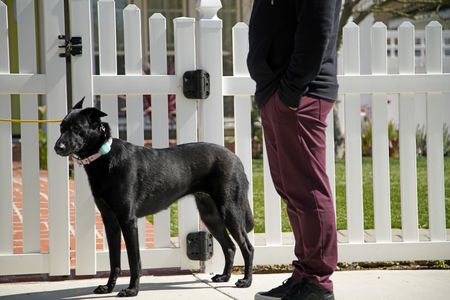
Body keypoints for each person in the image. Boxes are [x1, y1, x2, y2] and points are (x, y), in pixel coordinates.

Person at [247, 1, 341, 299]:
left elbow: (317, 27)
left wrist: (290, 92)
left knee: (308, 190)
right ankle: (305, 275)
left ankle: (317, 282)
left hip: (299, 95)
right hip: (279, 93)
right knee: (291, 189)